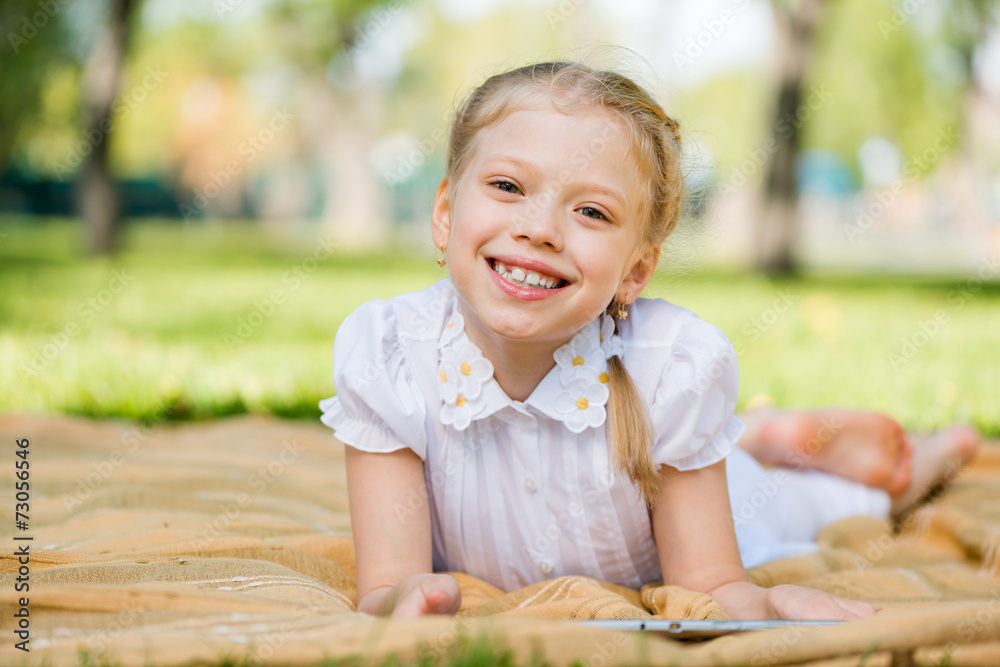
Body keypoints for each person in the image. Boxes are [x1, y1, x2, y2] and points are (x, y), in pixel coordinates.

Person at [319, 61, 980, 621]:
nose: (540, 228)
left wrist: (769, 606)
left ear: (635, 271)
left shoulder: (671, 368)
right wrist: (404, 596)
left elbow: (714, 582)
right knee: (728, 452)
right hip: (676, 454)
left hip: (727, 503)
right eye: (507, 186)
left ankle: (919, 463)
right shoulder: (393, 354)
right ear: (443, 214)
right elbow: (387, 582)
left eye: (591, 212)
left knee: (819, 501)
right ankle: (755, 433)